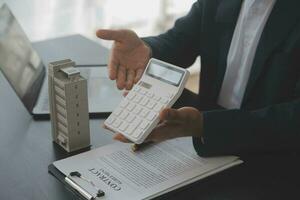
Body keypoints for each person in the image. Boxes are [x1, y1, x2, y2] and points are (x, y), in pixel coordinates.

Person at [97, 0, 300, 156]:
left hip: (274, 155)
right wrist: (147, 50)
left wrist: (206, 125)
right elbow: (181, 40)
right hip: (204, 142)